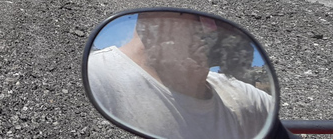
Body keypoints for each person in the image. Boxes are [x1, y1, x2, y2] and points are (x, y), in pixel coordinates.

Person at [87, 12, 273, 139]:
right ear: (156, 21)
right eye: (200, 21)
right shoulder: (96, 76)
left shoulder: (237, 94)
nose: (212, 30)